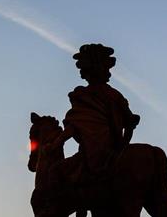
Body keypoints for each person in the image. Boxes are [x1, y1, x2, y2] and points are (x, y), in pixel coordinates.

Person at [58, 44, 140, 179]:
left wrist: (56, 144)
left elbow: (74, 124)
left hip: (93, 154)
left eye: (83, 68)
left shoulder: (82, 96)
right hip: (112, 150)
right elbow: (130, 122)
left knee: (57, 172)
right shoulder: (114, 95)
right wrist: (122, 147)